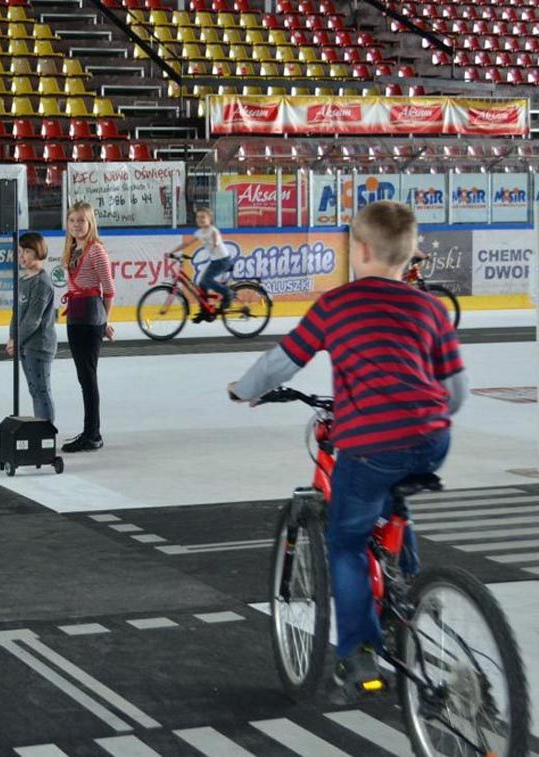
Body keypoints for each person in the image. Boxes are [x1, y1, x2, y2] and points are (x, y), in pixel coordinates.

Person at [227, 201, 468, 700]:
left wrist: (244, 389)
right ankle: (413, 592)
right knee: (392, 497)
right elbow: (456, 389)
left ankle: (358, 651)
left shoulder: (336, 305)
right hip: (432, 439)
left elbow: (282, 362)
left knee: (346, 541)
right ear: (409, 256)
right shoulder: (430, 308)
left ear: (358, 250)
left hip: (371, 444)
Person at [61, 201, 114, 453]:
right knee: (84, 377)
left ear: (91, 222)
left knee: (88, 376)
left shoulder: (96, 251)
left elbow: (109, 290)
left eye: (81, 221)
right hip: (75, 314)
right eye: (72, 221)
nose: (76, 225)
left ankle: (92, 433)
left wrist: (104, 321)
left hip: (90, 314)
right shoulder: (72, 250)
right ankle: (89, 430)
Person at [5, 232, 57, 422]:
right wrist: (12, 337)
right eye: (20, 251)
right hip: (25, 344)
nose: (22, 256)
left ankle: (46, 432)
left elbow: (33, 320)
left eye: (27, 251)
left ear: (38, 252)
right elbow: (17, 313)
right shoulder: (23, 280)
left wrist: (17, 339)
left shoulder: (42, 283)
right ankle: (40, 430)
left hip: (39, 346)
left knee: (41, 390)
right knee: (34, 390)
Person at [166, 207, 232, 312]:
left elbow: (215, 244)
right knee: (202, 283)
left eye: (203, 217)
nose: (200, 219)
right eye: (198, 217)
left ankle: (227, 294)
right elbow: (186, 243)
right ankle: (205, 307)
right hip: (216, 260)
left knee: (207, 280)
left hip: (223, 260)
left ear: (210, 219)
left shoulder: (213, 231)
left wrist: (207, 255)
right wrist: (171, 251)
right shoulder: (199, 232)